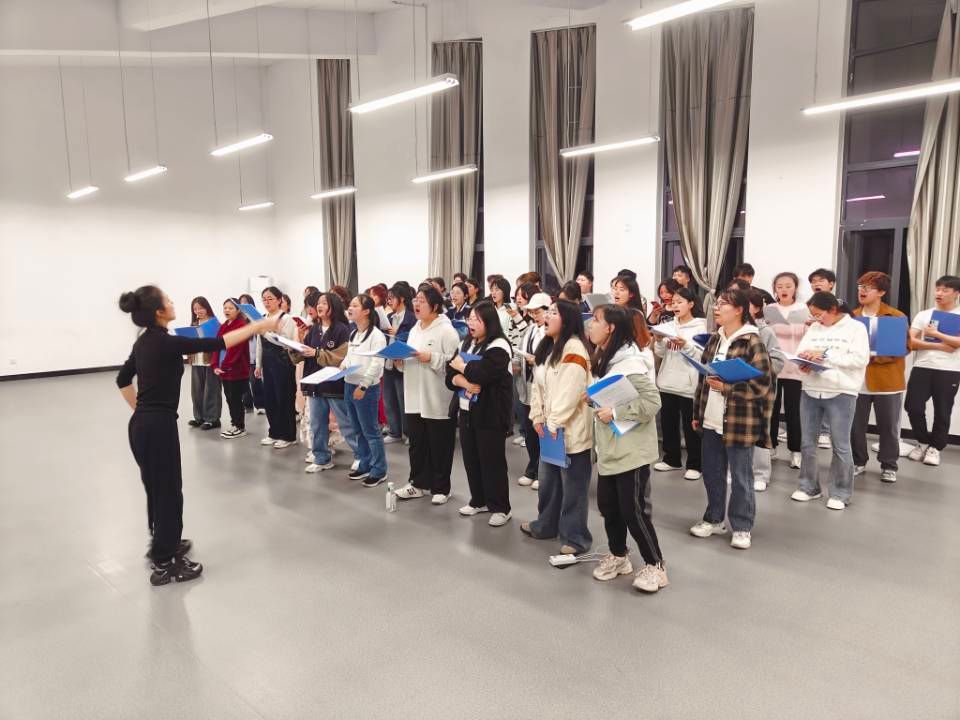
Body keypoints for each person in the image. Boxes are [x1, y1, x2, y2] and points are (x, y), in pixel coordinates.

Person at [116, 285, 278, 585]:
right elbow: (220, 342)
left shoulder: (144, 342)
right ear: (159, 312)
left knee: (158, 489)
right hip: (158, 427)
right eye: (168, 300)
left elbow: (122, 379)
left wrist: (141, 411)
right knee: (168, 492)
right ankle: (165, 563)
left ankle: (162, 543)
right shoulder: (166, 343)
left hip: (143, 426)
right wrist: (256, 327)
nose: (172, 302)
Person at [587, 304, 667, 593]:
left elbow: (653, 402)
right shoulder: (605, 360)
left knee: (633, 510)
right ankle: (619, 556)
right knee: (608, 506)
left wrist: (616, 413)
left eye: (596, 320)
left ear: (610, 328)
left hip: (631, 451)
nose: (590, 325)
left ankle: (656, 565)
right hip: (610, 448)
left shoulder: (630, 364)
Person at [690, 289, 774, 551]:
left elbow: (762, 384)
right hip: (711, 417)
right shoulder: (715, 339)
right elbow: (703, 379)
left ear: (739, 310)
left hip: (740, 419)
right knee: (712, 473)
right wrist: (697, 413)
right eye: (716, 304)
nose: (716, 308)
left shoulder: (752, 341)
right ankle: (714, 519)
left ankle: (742, 525)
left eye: (723, 304)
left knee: (740, 476)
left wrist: (728, 388)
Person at [520, 300, 594, 556]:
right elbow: (538, 386)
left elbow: (570, 392)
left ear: (567, 320)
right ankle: (546, 525)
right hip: (550, 429)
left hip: (569, 431)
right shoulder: (548, 347)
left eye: (554, 313)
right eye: (548, 312)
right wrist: (537, 416)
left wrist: (553, 422)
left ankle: (576, 538)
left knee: (574, 488)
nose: (547, 316)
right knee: (548, 482)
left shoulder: (574, 349)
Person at [790, 292, 870, 511]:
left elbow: (860, 359)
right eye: (813, 315)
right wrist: (804, 361)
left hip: (841, 391)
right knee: (807, 443)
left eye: (819, 314)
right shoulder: (815, 329)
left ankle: (840, 492)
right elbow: (801, 351)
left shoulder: (856, 328)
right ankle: (808, 487)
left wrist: (825, 357)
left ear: (833, 310)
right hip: (811, 389)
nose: (816, 319)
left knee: (840, 444)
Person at [446, 300, 514, 526]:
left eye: (477, 319)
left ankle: (501, 507)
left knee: (492, 461)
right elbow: (449, 374)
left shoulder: (499, 346)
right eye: (470, 319)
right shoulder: (466, 342)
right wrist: (464, 382)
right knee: (471, 459)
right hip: (466, 410)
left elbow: (484, 373)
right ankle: (479, 500)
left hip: (490, 412)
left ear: (489, 322)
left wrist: (462, 368)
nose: (471, 323)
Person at [393, 286, 461, 504]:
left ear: (435, 305)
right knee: (417, 443)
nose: (417, 304)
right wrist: (400, 362)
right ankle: (418, 483)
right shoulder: (415, 329)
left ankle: (441, 488)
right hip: (414, 394)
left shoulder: (446, 331)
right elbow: (411, 359)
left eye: (422, 300)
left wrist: (430, 357)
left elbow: (454, 364)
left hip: (437, 396)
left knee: (439, 444)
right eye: (416, 300)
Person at [850, 272, 907, 483]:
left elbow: (905, 346)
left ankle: (889, 465)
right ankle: (858, 461)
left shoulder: (896, 316)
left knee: (888, 427)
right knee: (855, 425)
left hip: (887, 381)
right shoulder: (851, 317)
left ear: (881, 292)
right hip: (858, 380)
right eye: (860, 286)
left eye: (868, 287)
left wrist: (875, 356)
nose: (862, 291)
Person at [904, 275, 960, 467]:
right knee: (913, 406)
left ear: (956, 293)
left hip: (949, 369)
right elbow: (911, 342)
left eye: (945, 290)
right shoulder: (924, 314)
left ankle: (935, 448)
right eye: (938, 289)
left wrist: (935, 334)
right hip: (922, 366)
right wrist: (940, 345)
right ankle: (923, 442)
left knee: (943, 410)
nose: (939, 293)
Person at [653, 286, 706, 480]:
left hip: (688, 384)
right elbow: (660, 353)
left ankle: (695, 464)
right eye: (673, 302)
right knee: (668, 423)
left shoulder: (700, 327)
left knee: (690, 427)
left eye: (679, 302)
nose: (675, 305)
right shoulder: (668, 325)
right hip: (667, 381)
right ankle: (671, 459)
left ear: (690, 304)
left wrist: (686, 345)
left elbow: (702, 357)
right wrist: (659, 341)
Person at [299, 291, 353, 474]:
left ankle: (362, 457)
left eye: (324, 302)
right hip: (315, 384)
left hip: (333, 385)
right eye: (318, 303)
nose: (319, 306)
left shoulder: (342, 330)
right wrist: (296, 345)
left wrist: (316, 353)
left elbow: (340, 357)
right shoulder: (313, 329)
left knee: (345, 423)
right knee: (317, 424)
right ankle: (322, 458)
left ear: (333, 306)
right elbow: (304, 353)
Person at [340, 294, 389, 487]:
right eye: (350, 305)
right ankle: (365, 463)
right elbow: (349, 356)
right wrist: (343, 365)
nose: (350, 308)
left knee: (371, 431)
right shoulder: (353, 333)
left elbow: (377, 363)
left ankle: (379, 470)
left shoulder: (376, 336)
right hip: (349, 383)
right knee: (357, 429)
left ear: (367, 311)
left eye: (355, 305)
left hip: (365, 388)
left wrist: (363, 385)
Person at [763, 271, 809, 469]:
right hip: (773, 366)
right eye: (780, 286)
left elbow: (809, 337)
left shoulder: (803, 309)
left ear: (795, 288)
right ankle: (771, 445)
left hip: (794, 367)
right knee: (771, 409)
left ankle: (795, 451)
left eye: (788, 286)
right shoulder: (769, 309)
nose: (784, 290)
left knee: (793, 411)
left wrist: (807, 325)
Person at [747, 289, 785, 491]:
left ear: (756, 308)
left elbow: (778, 361)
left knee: (760, 430)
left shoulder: (765, 332)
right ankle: (736, 470)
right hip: (736, 387)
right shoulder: (728, 330)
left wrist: (757, 368)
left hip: (761, 389)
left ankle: (761, 473)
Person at [513, 292, 552, 489]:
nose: (535, 316)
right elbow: (520, 349)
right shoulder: (530, 329)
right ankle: (533, 467)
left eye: (538, 312)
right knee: (529, 431)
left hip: (544, 389)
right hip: (527, 386)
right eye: (532, 312)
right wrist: (517, 364)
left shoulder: (551, 333)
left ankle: (543, 472)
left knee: (541, 431)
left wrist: (537, 360)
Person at [255, 287, 299, 449]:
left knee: (284, 398)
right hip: (267, 362)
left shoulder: (286, 318)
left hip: (283, 362)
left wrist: (266, 333)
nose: (267, 302)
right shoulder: (263, 318)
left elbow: (286, 342)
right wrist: (258, 364)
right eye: (264, 299)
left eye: (270, 299)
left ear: (279, 300)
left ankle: (288, 435)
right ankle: (274, 432)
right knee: (270, 398)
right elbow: (259, 343)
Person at [211, 298, 251, 439]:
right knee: (229, 398)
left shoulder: (241, 325)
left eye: (230, 308)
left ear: (238, 310)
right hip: (224, 370)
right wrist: (215, 365)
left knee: (235, 399)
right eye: (225, 308)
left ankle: (240, 427)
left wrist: (225, 366)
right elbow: (217, 345)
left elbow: (236, 350)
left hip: (236, 370)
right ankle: (235, 424)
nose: (227, 310)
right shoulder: (224, 326)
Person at [382, 284, 416, 445]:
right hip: (388, 362)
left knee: (404, 401)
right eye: (388, 298)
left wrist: (399, 335)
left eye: (392, 298)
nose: (389, 301)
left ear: (401, 298)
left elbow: (414, 339)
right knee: (389, 400)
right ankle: (394, 432)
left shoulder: (411, 318)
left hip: (403, 364)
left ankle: (409, 433)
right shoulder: (389, 317)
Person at [186, 296, 222, 430]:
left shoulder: (215, 323)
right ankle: (199, 417)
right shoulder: (194, 324)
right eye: (195, 309)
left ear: (207, 308)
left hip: (211, 361)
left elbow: (220, 343)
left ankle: (212, 419)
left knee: (211, 391)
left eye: (200, 308)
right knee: (197, 392)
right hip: (196, 361)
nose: (198, 311)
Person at [610, 275, 655, 369]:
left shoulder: (635, 315)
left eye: (621, 289)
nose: (616, 292)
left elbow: (642, 342)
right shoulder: (613, 312)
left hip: (629, 362)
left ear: (631, 294)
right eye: (614, 289)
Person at [238, 293, 265, 415]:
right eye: (241, 302)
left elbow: (257, 341)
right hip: (242, 358)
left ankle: (260, 405)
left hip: (253, 357)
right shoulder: (238, 321)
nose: (243, 304)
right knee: (244, 383)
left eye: (246, 302)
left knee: (255, 382)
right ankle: (247, 405)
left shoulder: (255, 319)